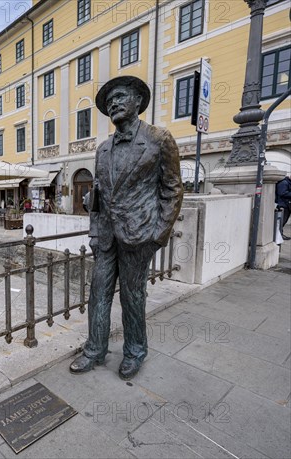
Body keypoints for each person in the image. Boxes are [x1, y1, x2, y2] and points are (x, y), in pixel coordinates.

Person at [70, 76, 184, 380]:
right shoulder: (103, 149)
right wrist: (94, 232)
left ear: (137, 101)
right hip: (106, 235)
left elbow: (172, 190)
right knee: (98, 292)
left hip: (139, 233)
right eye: (109, 102)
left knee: (132, 295)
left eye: (120, 97)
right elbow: (98, 194)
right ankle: (94, 349)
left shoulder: (160, 139)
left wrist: (159, 233)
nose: (114, 104)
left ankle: (135, 351)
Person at [276, 174, 291, 240]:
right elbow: (282, 193)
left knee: (283, 221)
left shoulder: (287, 182)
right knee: (281, 222)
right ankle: (278, 236)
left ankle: (280, 235)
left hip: (286, 205)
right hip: (283, 205)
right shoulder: (284, 182)